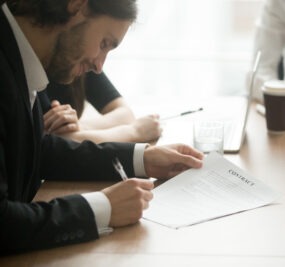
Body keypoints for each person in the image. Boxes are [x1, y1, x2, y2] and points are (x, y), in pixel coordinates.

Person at [0, 0, 203, 255]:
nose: (98, 66)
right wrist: (103, 207)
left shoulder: (21, 56)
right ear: (77, 6)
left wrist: (142, 159)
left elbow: (39, 151)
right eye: (104, 43)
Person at [40, 71, 162, 144]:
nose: (99, 66)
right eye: (104, 43)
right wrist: (135, 131)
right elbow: (56, 141)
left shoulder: (86, 61)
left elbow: (125, 114)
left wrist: (80, 127)